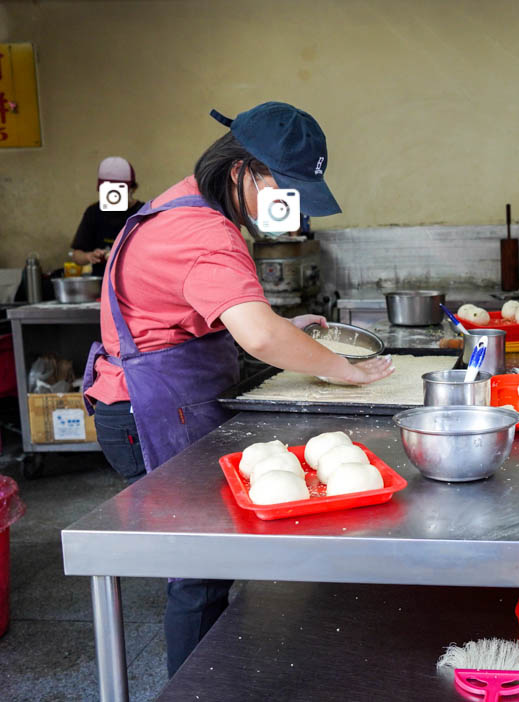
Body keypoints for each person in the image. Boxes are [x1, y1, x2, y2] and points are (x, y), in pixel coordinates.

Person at [81, 102, 394, 677]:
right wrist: (341, 368)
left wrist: (278, 329)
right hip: (149, 412)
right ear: (240, 171)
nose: (290, 206)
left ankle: (212, 673)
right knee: (199, 570)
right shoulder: (205, 231)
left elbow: (216, 313)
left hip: (154, 400)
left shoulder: (180, 204)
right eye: (285, 187)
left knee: (205, 562)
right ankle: (192, 688)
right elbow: (256, 335)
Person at [70, 157, 144, 276]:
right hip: (102, 282)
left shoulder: (143, 213)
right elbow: (77, 255)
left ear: (133, 189)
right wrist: (89, 256)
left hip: (134, 281)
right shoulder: (94, 212)